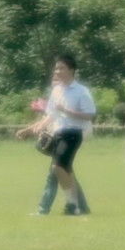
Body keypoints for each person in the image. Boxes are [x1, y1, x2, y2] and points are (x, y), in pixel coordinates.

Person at [16, 55, 95, 216]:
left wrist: (66, 111)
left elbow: (89, 115)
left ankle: (70, 206)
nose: (57, 71)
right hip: (58, 133)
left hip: (73, 133)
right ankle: (76, 206)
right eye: (56, 68)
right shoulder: (57, 90)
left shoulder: (81, 91)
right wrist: (28, 130)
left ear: (71, 70)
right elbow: (50, 116)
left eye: (61, 68)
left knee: (58, 167)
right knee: (65, 170)